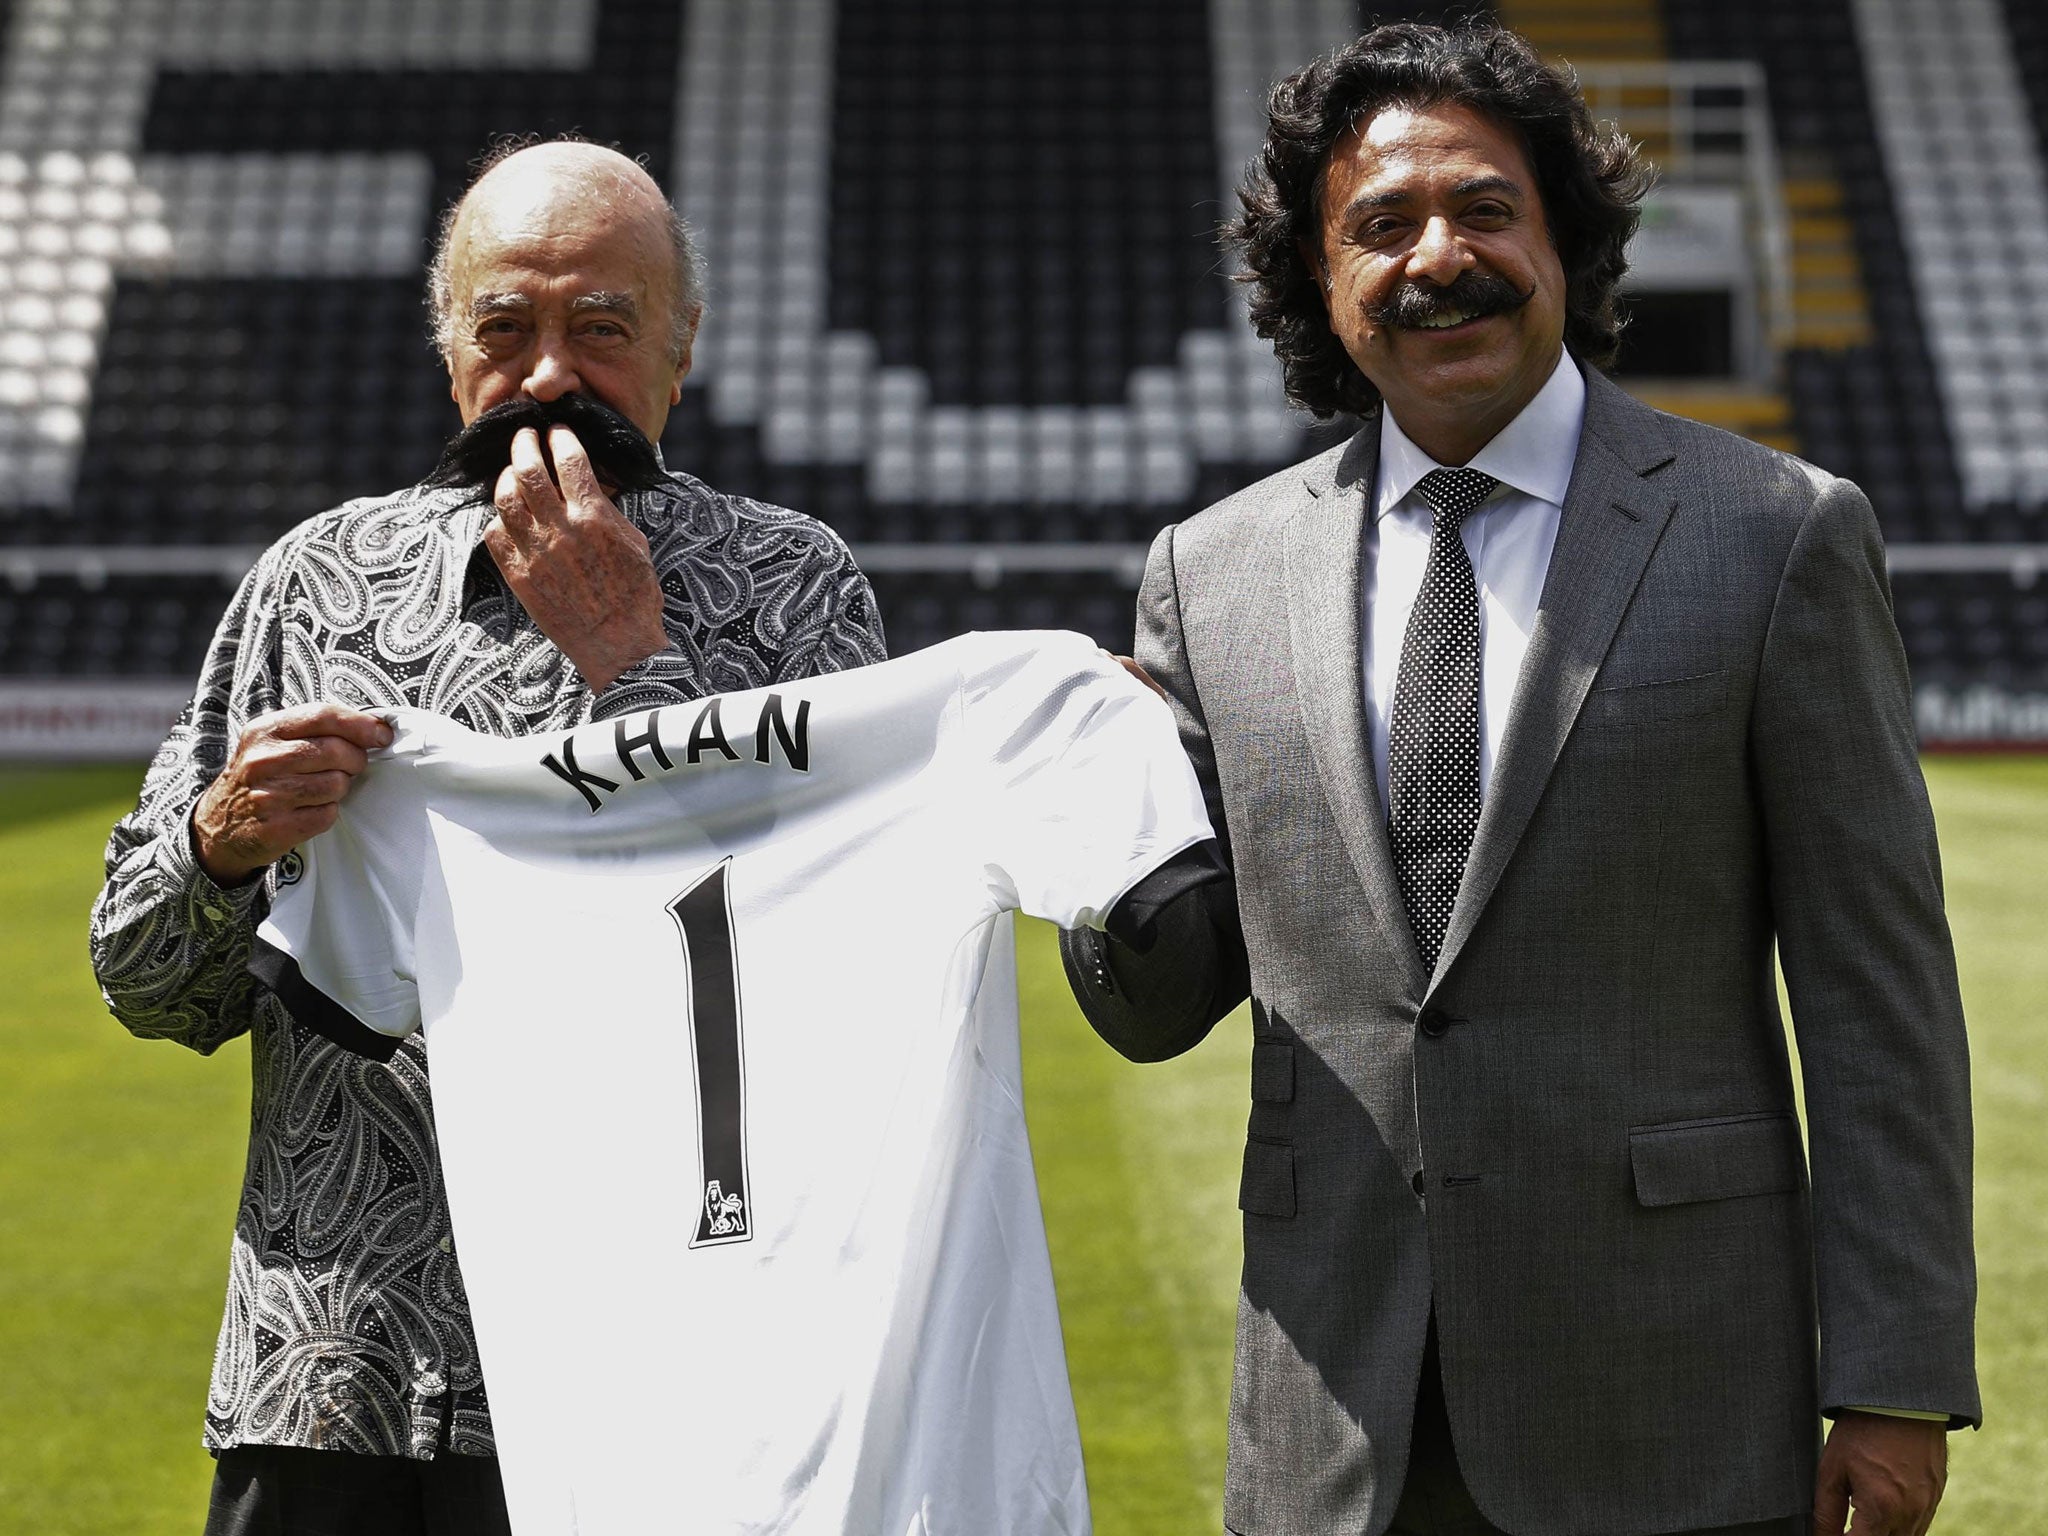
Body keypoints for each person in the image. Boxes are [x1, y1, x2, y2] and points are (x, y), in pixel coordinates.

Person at [1060, 22, 1977, 1536]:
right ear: (1319, 280)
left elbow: (1879, 999)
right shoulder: (1206, 576)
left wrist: (1894, 1377)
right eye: (1382, 225)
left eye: (1487, 209)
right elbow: (1160, 1003)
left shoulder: (1774, 533)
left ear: (1568, 242)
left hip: (1673, 1402)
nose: (1443, 256)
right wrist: (1093, 827)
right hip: (1333, 1416)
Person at [89, 137, 885, 1534]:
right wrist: (219, 845)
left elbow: (838, 980)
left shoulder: (797, 589)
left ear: (682, 349)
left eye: (601, 328)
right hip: (332, 1374)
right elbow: (146, 982)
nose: (547, 375)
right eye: (504, 329)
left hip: (671, 1377)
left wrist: (634, 667)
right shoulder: (314, 585)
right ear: (448, 349)